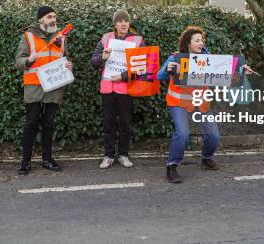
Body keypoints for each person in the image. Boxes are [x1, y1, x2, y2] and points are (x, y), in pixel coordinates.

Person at [157, 26, 253, 183]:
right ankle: (172, 165)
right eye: (197, 40)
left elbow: (228, 73)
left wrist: (242, 70)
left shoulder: (210, 60)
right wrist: (168, 69)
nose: (200, 43)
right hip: (179, 102)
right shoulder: (175, 58)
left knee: (214, 136)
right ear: (188, 43)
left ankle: (206, 158)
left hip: (200, 103)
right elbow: (159, 76)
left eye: (201, 40)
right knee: (182, 133)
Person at [15, 5, 73, 175]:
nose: (53, 19)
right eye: (49, 16)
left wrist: (69, 65)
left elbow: (65, 58)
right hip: (34, 86)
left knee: (49, 124)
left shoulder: (61, 37)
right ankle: (25, 161)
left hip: (54, 87)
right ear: (40, 19)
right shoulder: (28, 36)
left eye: (54, 16)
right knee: (31, 123)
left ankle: (47, 159)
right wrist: (28, 60)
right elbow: (18, 61)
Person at [91, 9, 144, 169]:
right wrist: (103, 58)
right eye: (120, 21)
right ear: (115, 24)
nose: (123, 24)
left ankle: (123, 155)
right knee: (108, 124)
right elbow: (94, 61)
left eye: (126, 21)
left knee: (125, 124)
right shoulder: (106, 38)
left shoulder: (137, 40)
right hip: (108, 88)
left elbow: (141, 67)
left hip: (126, 88)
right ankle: (108, 156)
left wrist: (124, 76)